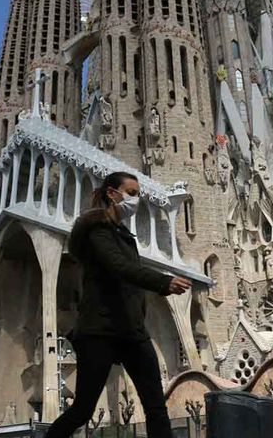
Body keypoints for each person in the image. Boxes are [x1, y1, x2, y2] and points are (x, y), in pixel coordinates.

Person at [46, 171, 193, 438]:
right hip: (100, 329)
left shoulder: (123, 235)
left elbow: (129, 278)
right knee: (83, 409)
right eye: (132, 193)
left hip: (132, 330)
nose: (136, 200)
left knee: (155, 406)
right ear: (112, 194)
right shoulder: (96, 231)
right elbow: (120, 267)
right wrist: (163, 282)